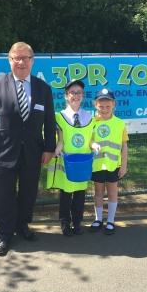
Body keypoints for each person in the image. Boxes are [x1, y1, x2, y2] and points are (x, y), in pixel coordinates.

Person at [0, 42, 56, 256]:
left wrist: (49, 148)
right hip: (3, 151)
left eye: (25, 58)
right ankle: (4, 234)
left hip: (33, 151)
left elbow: (50, 122)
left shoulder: (43, 88)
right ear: (10, 60)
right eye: (16, 58)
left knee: (28, 194)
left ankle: (22, 226)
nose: (21, 62)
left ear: (32, 60)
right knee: (4, 195)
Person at [46, 79, 94, 237]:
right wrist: (58, 149)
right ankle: (65, 222)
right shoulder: (59, 117)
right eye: (72, 92)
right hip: (67, 164)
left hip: (82, 163)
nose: (76, 95)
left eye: (79, 92)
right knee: (66, 195)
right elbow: (60, 140)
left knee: (80, 194)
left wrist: (94, 146)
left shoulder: (89, 117)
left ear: (83, 95)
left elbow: (90, 139)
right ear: (66, 96)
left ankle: (78, 221)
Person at [89, 88, 128, 235]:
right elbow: (89, 140)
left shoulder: (120, 123)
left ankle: (110, 221)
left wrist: (123, 165)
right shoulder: (91, 123)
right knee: (98, 192)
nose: (104, 109)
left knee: (112, 193)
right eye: (101, 106)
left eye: (108, 106)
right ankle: (98, 219)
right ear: (95, 105)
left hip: (113, 166)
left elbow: (124, 145)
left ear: (114, 105)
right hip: (97, 165)